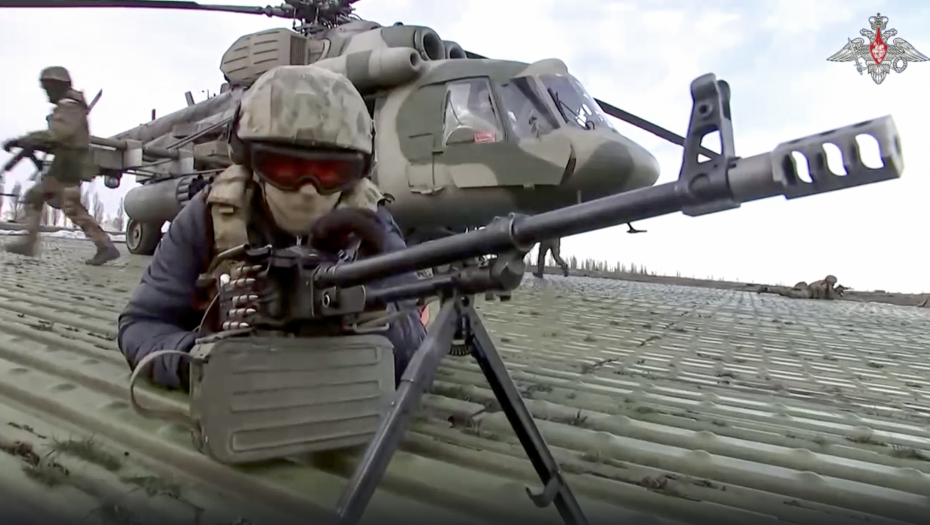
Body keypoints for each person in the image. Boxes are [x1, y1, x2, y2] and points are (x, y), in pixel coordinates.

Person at [117, 65, 426, 390]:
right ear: (250, 162)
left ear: (357, 173)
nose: (308, 190)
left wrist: (367, 310)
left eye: (331, 172)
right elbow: (141, 324)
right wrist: (198, 362)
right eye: (285, 168)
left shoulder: (371, 225)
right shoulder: (211, 214)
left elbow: (415, 338)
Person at [2, 66, 119, 265]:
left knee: (39, 198)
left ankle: (29, 243)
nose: (46, 92)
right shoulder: (71, 105)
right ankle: (105, 246)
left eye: (47, 87)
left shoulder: (70, 106)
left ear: (57, 85)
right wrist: (29, 143)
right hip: (67, 164)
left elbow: (59, 135)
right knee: (68, 207)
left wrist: (25, 140)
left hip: (67, 166)